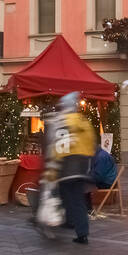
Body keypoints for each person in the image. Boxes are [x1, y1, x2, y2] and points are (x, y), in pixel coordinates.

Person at [43, 92, 97, 244]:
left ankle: (74, 226)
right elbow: (92, 143)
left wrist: (52, 165)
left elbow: (57, 144)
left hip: (66, 166)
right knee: (76, 198)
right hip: (81, 166)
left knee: (66, 195)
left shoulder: (62, 121)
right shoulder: (83, 120)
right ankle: (77, 227)